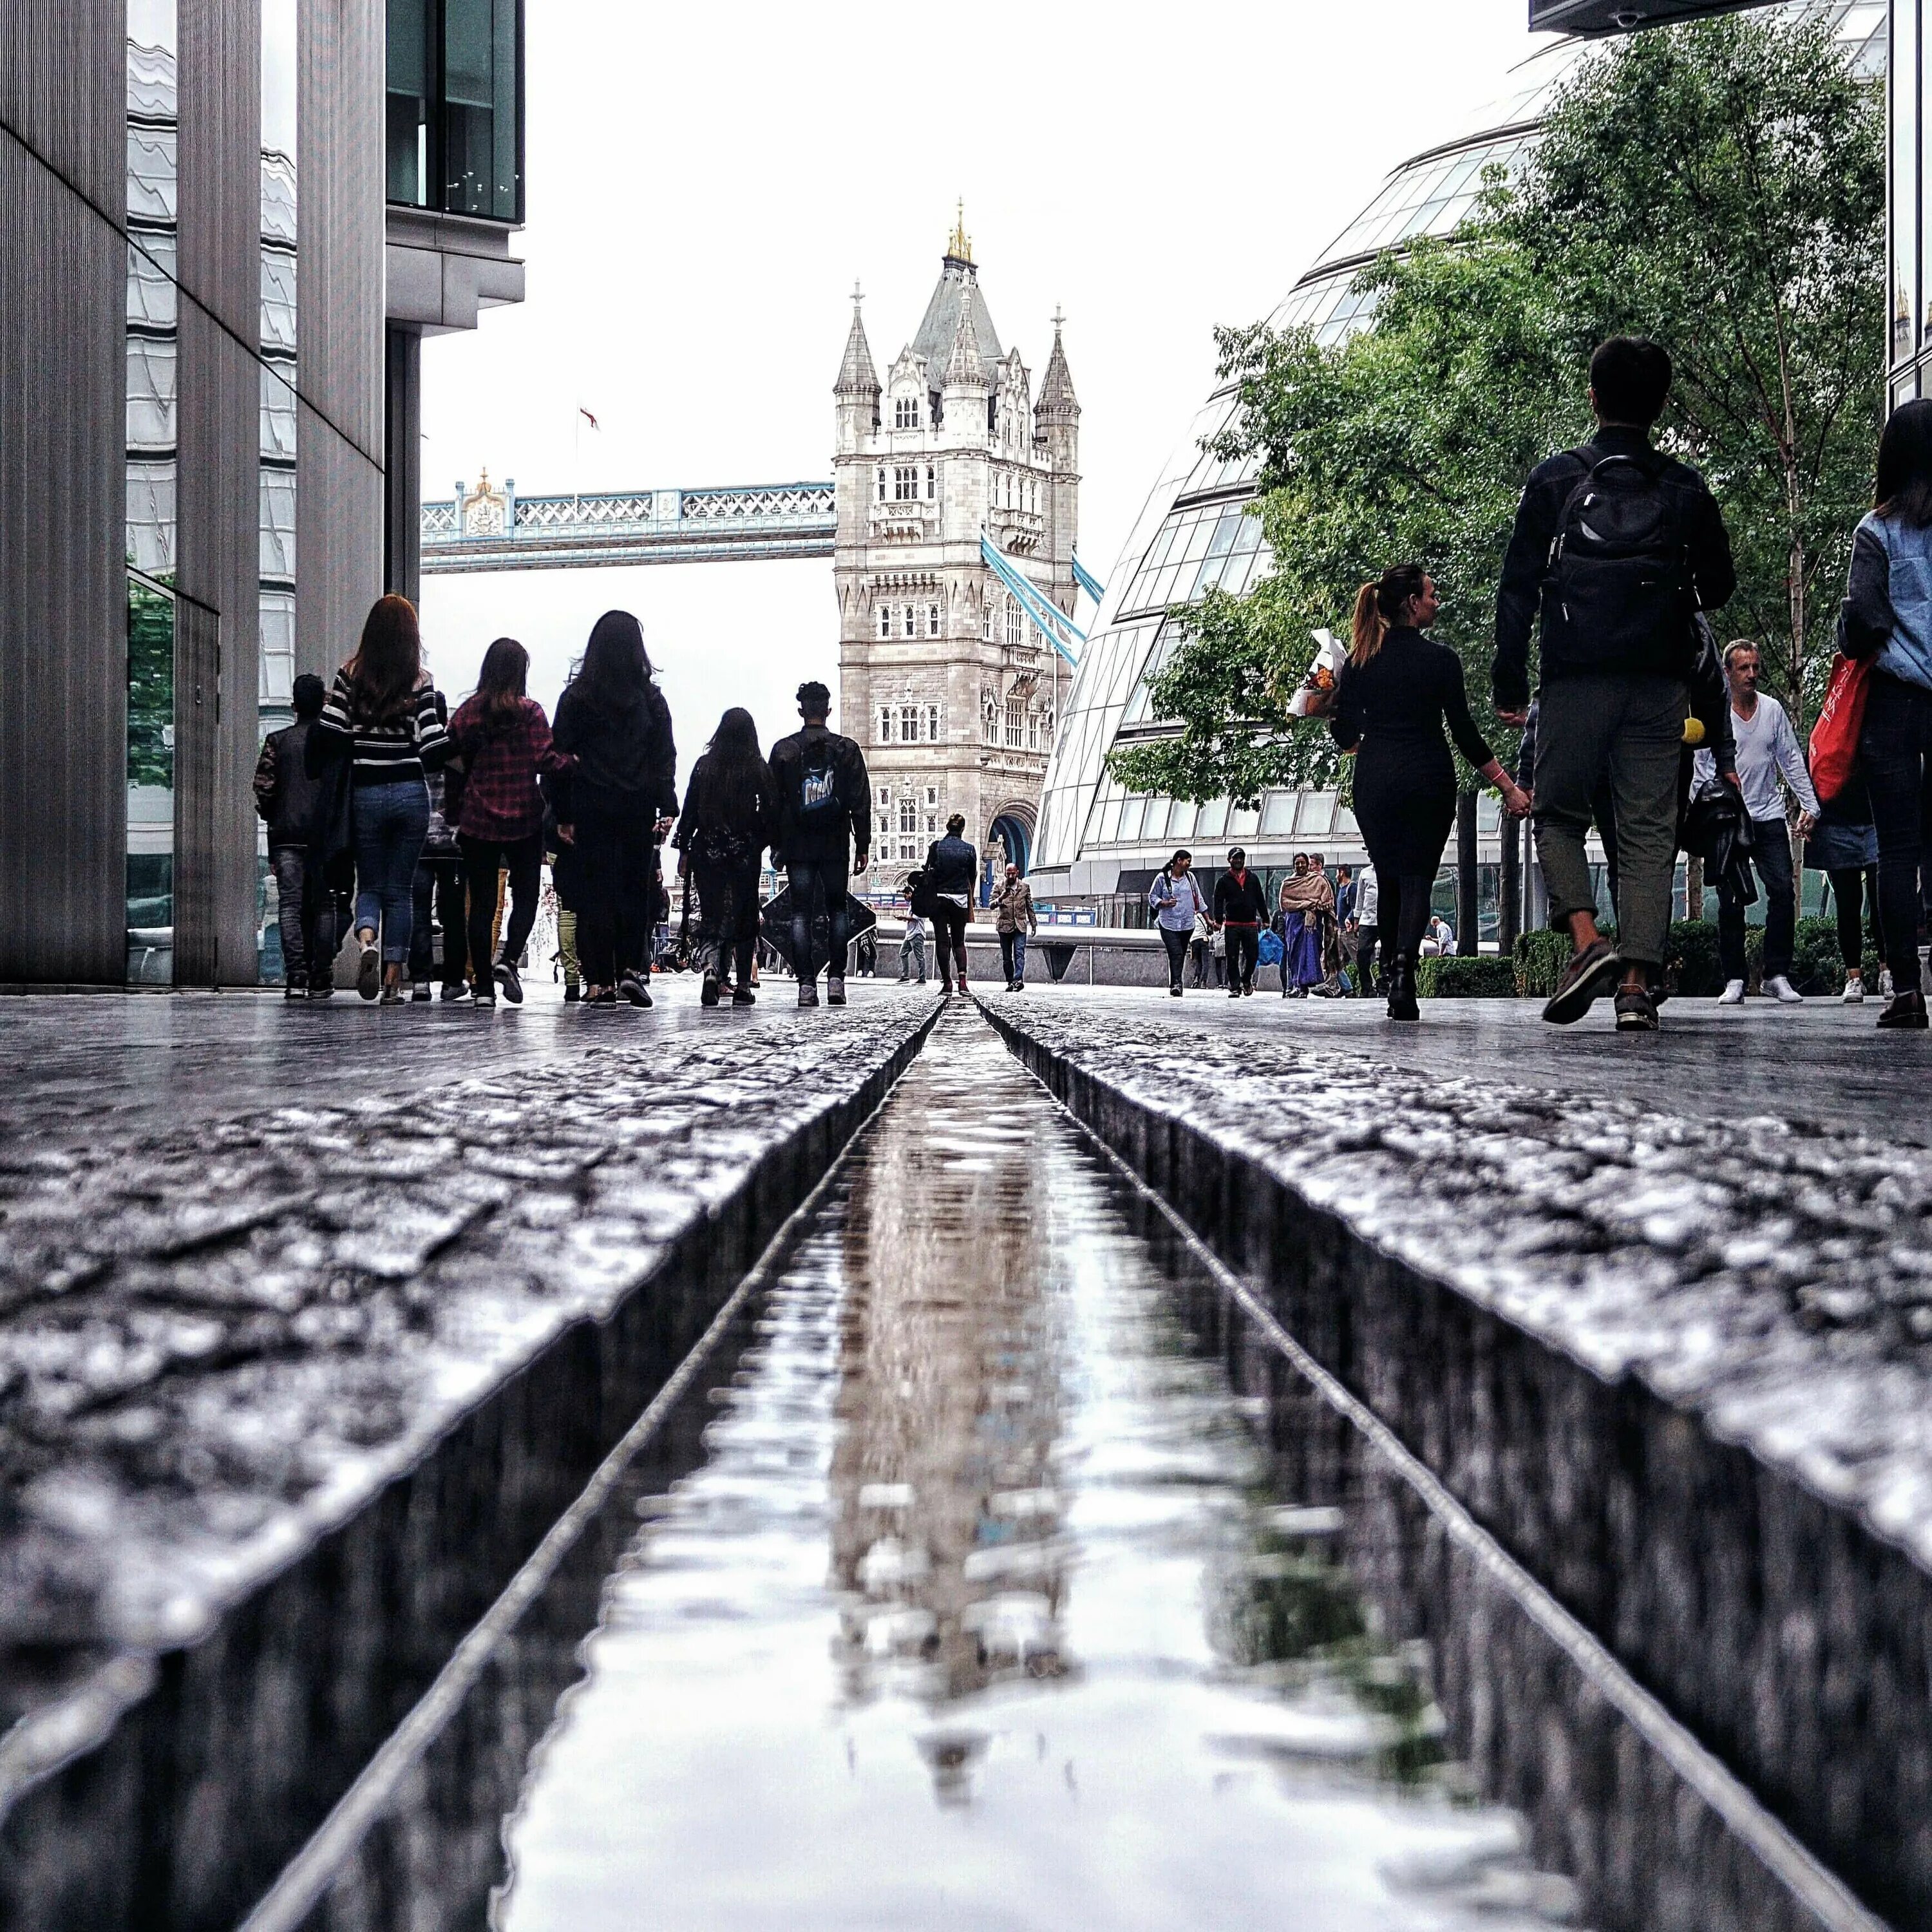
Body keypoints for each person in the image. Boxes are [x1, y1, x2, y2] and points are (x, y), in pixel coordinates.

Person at [1495, 336, 1737, 1031]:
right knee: (1647, 832)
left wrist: (1509, 678)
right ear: (1660, 404)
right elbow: (1718, 586)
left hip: (1574, 677)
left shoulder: (1556, 479)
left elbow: (1516, 587)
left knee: (1558, 815)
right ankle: (1635, 985)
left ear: (1593, 396)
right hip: (1660, 684)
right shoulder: (1686, 487)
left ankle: (1585, 943)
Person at [1333, 565, 1528, 1021]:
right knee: (1419, 876)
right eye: (1432, 595)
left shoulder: (1359, 662)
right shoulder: (1442, 660)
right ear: (1412, 604)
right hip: (1428, 778)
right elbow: (1464, 733)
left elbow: (1345, 736)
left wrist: (1333, 708)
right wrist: (1508, 787)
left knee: (1389, 878)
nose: (1437, 602)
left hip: (1376, 780)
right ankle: (1404, 974)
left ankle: (1389, 969)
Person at [1839, 395, 1932, 1028]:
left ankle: (1905, 991)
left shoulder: (1875, 532)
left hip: (1896, 704)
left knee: (1897, 850)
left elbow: (1863, 624)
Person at [307, 594, 451, 1002]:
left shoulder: (349, 674)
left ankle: (367, 941)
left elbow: (331, 729)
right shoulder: (420, 679)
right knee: (401, 891)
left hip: (366, 793)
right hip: (410, 793)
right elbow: (431, 742)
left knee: (369, 884)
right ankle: (392, 981)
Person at [549, 610, 677, 1009]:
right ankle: (629, 971)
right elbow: (664, 757)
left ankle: (598, 981)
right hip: (636, 807)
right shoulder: (651, 700)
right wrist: (666, 806)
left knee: (594, 893)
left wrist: (562, 813)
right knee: (633, 890)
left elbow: (558, 759)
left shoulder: (576, 699)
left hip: (590, 806)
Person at [1688, 640, 1815, 1006]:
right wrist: (1699, 824)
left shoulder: (1773, 711)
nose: (1752, 675)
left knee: (1783, 891)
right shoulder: (1715, 715)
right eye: (1743, 668)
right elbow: (1701, 772)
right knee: (1730, 901)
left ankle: (1776, 974)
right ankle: (1735, 979)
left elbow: (1791, 759)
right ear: (1727, 673)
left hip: (1768, 815)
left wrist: (1811, 805)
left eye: (1756, 668)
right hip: (1728, 821)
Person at [448, 638, 561, 1008]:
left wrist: (455, 810)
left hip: (478, 820)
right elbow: (546, 761)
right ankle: (509, 959)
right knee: (525, 897)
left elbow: (452, 760)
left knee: (480, 904)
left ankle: (482, 987)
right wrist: (576, 761)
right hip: (525, 821)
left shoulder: (467, 712)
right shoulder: (530, 713)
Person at [769, 680, 871, 1007]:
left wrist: (776, 846)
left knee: (800, 913)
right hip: (835, 845)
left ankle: (806, 985)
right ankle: (837, 980)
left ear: (801, 710)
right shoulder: (846, 750)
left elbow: (773, 804)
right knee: (837, 910)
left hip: (798, 846)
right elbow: (861, 802)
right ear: (828, 710)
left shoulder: (784, 751)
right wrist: (864, 844)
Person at [674, 705, 776, 1008]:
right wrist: (760, 841)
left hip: (709, 851)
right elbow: (772, 813)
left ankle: (710, 972)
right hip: (744, 853)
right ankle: (743, 984)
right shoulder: (757, 768)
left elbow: (689, 810)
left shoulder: (705, 766)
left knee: (712, 915)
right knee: (745, 917)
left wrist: (683, 850)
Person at [254, 673, 336, 998]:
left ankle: (297, 977)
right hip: (325, 837)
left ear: (294, 706)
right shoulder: (332, 745)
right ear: (324, 704)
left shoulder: (277, 741)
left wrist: (274, 818)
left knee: (289, 906)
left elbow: (263, 791)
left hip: (287, 835)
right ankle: (322, 975)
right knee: (325, 905)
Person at [407, 690, 469, 1001]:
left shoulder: (414, 752)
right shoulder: (454, 753)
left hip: (418, 844)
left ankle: (420, 980)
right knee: (454, 914)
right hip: (453, 845)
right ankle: (453, 981)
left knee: (418, 911)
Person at [922, 814, 978, 996]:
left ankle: (947, 983)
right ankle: (962, 983)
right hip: (960, 899)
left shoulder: (937, 847)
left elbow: (928, 870)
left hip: (939, 899)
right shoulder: (969, 850)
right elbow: (972, 876)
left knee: (942, 942)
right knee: (959, 942)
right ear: (962, 829)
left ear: (947, 828)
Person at [1148, 849, 1209, 997]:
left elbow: (1198, 898)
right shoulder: (1162, 878)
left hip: (1187, 924)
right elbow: (1152, 897)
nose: (1189, 864)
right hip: (1169, 923)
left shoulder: (1190, 878)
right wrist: (1164, 903)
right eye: (1187, 861)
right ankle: (1176, 984)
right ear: (1179, 861)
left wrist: (1208, 918)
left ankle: (1176, 982)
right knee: (1175, 952)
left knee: (1180, 953)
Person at [1213, 848, 1269, 996]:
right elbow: (1218, 901)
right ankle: (1235, 986)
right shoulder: (1224, 881)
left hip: (1250, 924)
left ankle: (1246, 979)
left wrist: (1265, 918)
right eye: (1235, 858)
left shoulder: (1253, 878)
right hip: (1232, 924)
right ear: (1229, 860)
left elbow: (1260, 899)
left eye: (1241, 858)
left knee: (1253, 956)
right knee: (1231, 956)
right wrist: (1218, 920)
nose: (1238, 861)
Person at [1276, 854, 1333, 997]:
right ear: (1294, 866)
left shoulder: (1318, 880)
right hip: (1294, 923)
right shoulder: (1288, 883)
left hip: (1312, 925)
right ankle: (1297, 985)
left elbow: (1327, 901)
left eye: (1303, 863)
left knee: (1309, 953)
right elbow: (1284, 904)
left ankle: (1304, 986)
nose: (1300, 866)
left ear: (1308, 864)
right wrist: (1306, 903)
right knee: (1294, 954)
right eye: (1297, 864)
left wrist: (1313, 907)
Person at [991, 862, 1037, 990]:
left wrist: (1033, 923)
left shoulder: (1025, 887)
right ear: (1005, 873)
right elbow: (991, 905)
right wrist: (1001, 898)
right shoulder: (999, 887)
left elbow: (1030, 906)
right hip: (1004, 926)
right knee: (1007, 957)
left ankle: (1018, 980)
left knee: (1019, 953)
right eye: (1008, 873)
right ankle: (1010, 981)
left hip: (1020, 926)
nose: (1011, 876)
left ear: (1017, 873)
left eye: (1013, 873)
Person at [1354, 862, 1381, 996]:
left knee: (1388, 954)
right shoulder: (1365, 873)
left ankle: (1384, 985)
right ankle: (1367, 987)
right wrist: (1356, 920)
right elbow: (1360, 898)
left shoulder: (1392, 870)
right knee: (1362, 953)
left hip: (1386, 919)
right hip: (1367, 919)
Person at [898, 896, 928, 983]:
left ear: (910, 894)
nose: (905, 898)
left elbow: (915, 918)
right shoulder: (912, 905)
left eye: (905, 896)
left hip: (917, 934)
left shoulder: (918, 905)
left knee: (920, 957)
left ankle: (922, 978)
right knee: (903, 953)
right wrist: (904, 918)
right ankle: (905, 976)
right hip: (910, 934)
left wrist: (903, 917)